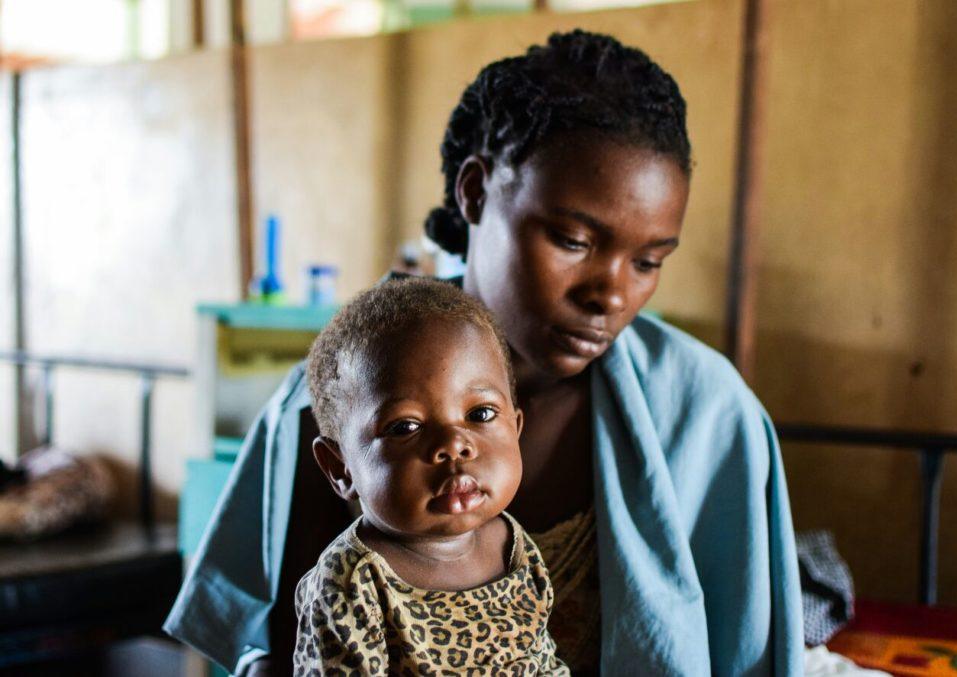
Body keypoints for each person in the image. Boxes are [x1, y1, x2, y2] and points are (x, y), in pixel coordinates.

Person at [165, 29, 803, 676]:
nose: (610, 293)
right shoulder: (343, 396)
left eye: (647, 261)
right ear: (475, 191)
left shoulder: (709, 415)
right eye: (573, 239)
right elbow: (288, 650)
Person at [294, 278, 567, 675]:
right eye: (405, 427)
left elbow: (542, 661)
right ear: (340, 468)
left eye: (481, 414)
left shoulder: (513, 545)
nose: (454, 444)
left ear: (516, 427)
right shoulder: (353, 583)